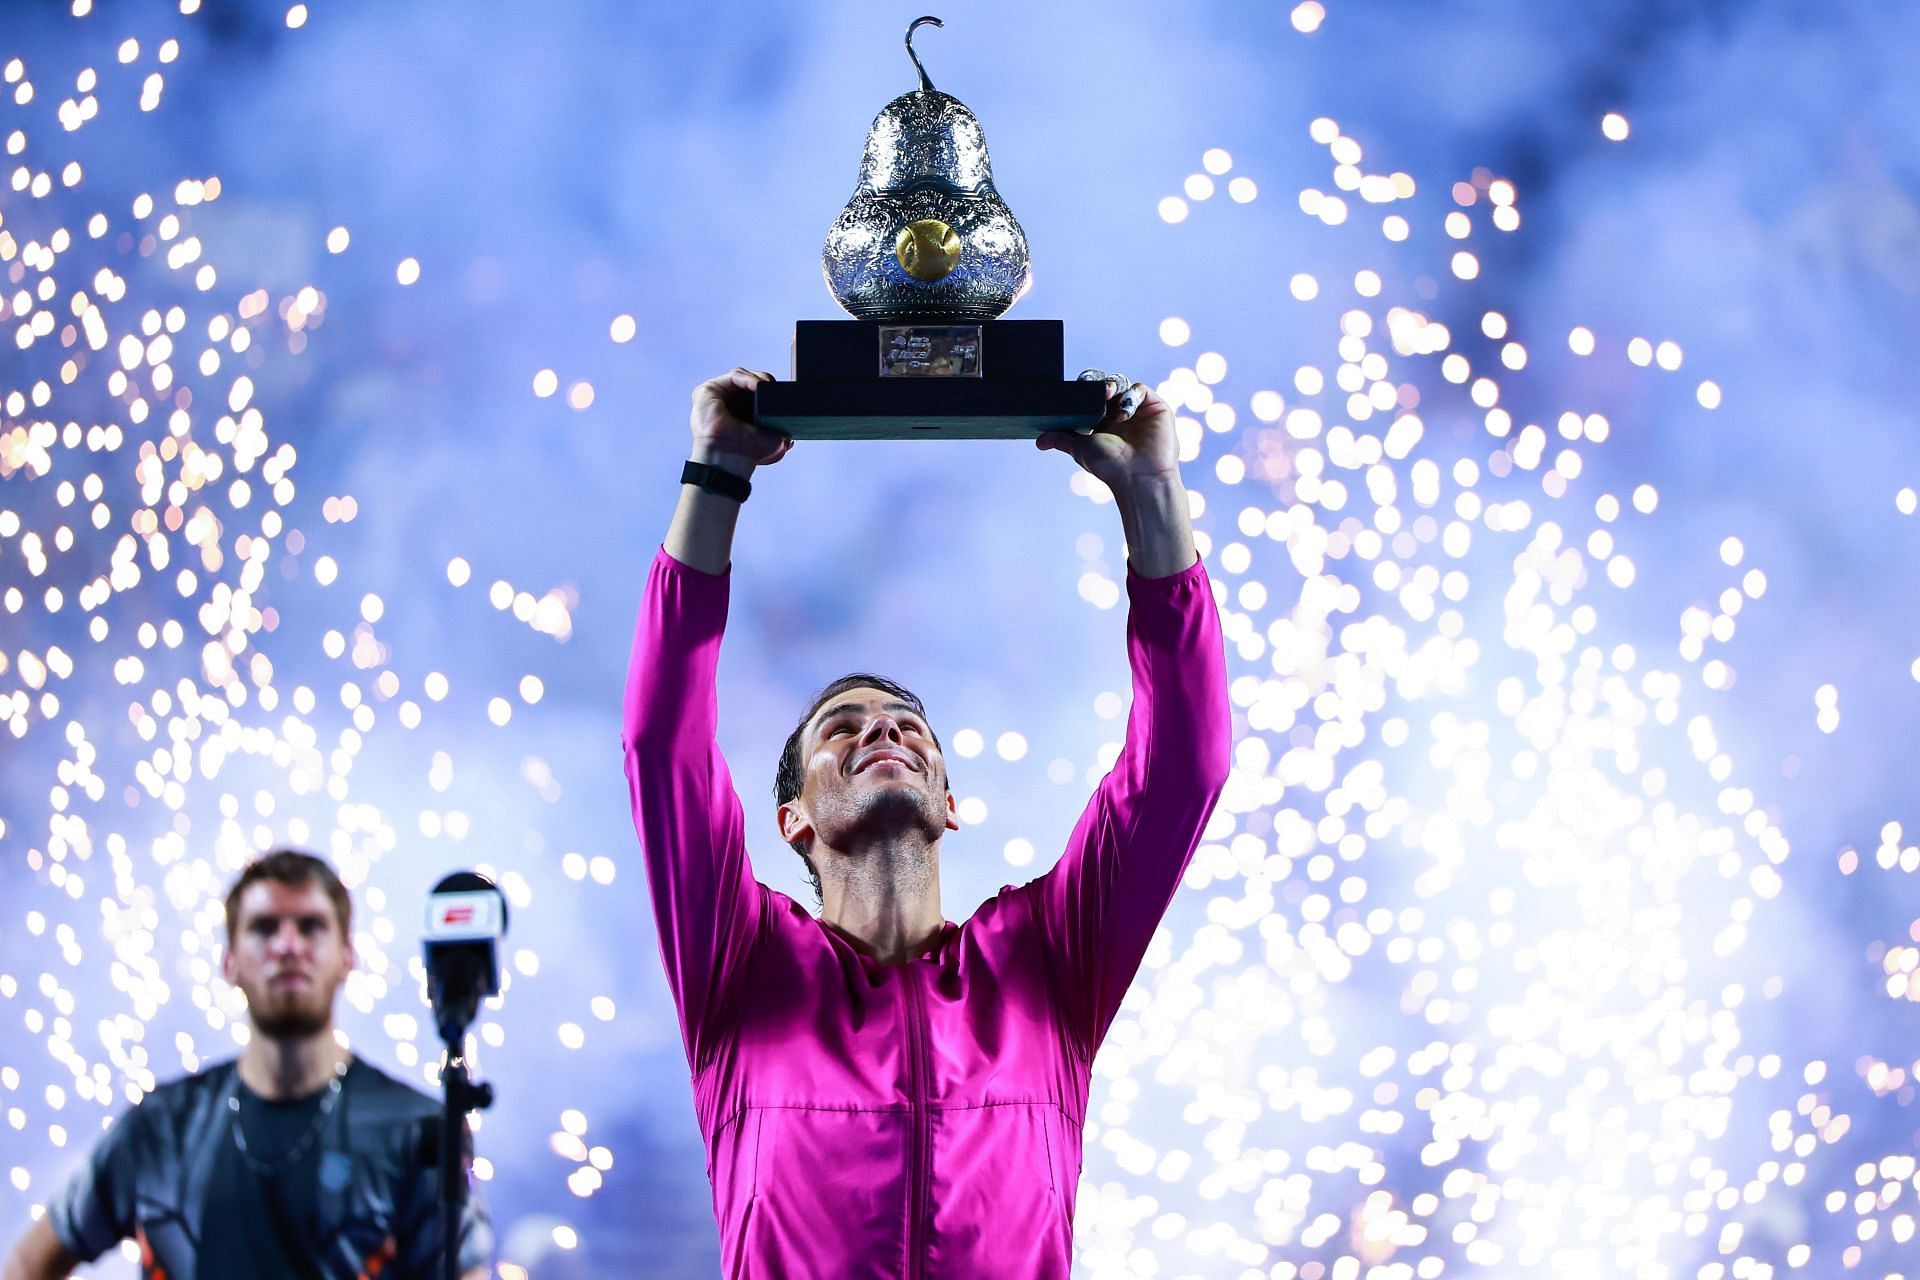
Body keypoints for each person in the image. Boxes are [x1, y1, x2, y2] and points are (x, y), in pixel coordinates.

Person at [623, 367, 1231, 1277]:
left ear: (951, 803)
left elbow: (1185, 765)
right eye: (843, 728)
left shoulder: (1049, 957)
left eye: (910, 728)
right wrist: (715, 473)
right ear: (791, 818)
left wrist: (1151, 489)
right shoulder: (740, 963)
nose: (883, 730)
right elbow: (662, 744)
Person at [2, 850, 492, 1280]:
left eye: (310, 926)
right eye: (264, 927)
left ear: (347, 957)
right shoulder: (162, 1127)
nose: (287, 945)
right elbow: (28, 1263)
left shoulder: (412, 1129)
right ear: (229, 961)